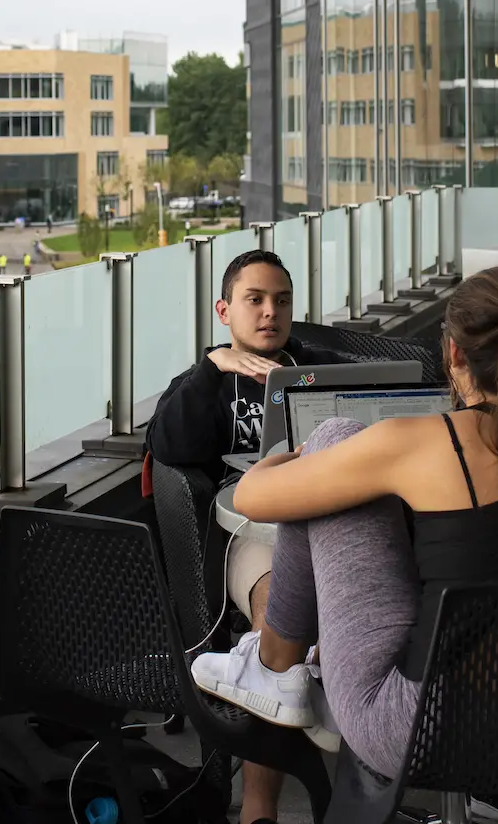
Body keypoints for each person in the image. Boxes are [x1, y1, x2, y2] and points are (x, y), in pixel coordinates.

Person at [189, 267, 498, 800]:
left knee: (333, 436)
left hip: (420, 730)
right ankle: (275, 668)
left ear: (455, 356)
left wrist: (277, 464)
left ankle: (273, 665)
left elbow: (253, 499)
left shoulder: (423, 441)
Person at [146, 248, 341, 824]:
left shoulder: (314, 369)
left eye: (281, 300)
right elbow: (170, 447)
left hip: (334, 516)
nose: (269, 312)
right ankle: (260, 807)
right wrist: (215, 369)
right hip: (250, 529)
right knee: (277, 611)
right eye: (254, 300)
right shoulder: (205, 382)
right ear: (224, 310)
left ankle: (353, 748)